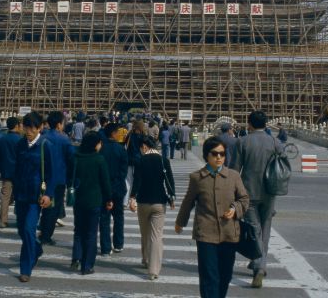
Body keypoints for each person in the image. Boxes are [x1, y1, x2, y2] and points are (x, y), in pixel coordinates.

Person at [175, 137, 250, 298]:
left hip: (229, 233)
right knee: (209, 276)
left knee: (225, 275)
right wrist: (180, 222)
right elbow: (188, 202)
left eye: (222, 154)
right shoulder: (197, 178)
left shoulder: (233, 176)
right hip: (205, 234)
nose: (219, 157)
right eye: (215, 154)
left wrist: (234, 209)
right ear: (206, 155)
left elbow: (244, 199)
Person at [229, 109, 281, 288]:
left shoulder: (243, 141)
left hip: (248, 192)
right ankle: (258, 262)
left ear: (249, 123)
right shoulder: (275, 142)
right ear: (266, 124)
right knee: (265, 228)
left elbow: (234, 170)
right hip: (270, 191)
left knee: (254, 229)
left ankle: (259, 265)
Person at [13, 111, 54, 283]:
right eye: (26, 127)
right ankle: (36, 249)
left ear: (40, 128)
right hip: (21, 194)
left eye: (31, 128)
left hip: (36, 197)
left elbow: (52, 173)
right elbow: (16, 169)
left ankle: (25, 269)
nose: (28, 131)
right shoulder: (20, 144)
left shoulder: (45, 145)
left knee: (29, 230)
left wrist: (49, 194)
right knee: (21, 230)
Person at [129, 135, 176, 281]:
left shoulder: (141, 160)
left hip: (143, 202)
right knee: (156, 236)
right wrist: (172, 197)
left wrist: (132, 198)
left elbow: (137, 181)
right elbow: (169, 181)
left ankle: (146, 259)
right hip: (159, 203)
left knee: (145, 233)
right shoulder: (163, 160)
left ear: (144, 146)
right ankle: (153, 270)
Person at [69, 131, 112, 275]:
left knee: (78, 230)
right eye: (99, 143)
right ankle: (87, 265)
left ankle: (76, 258)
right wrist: (109, 199)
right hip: (94, 201)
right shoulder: (99, 159)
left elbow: (70, 177)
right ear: (95, 144)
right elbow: (105, 182)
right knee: (91, 233)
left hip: (78, 199)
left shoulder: (76, 157)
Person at [39, 111, 75, 245]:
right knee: (53, 209)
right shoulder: (64, 140)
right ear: (59, 124)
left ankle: (43, 232)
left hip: (42, 178)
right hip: (59, 179)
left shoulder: (42, 137)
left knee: (45, 207)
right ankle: (46, 236)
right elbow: (72, 159)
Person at [99, 122, 128, 255]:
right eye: (118, 132)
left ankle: (105, 247)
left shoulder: (101, 148)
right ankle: (118, 244)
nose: (119, 134)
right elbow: (123, 172)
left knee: (104, 218)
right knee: (118, 217)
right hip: (118, 188)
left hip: (103, 188)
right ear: (113, 133)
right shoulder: (121, 149)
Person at [0, 116, 23, 227]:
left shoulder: (1, 140)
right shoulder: (21, 140)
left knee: (5, 197)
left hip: (6, 172)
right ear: (16, 126)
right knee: (19, 197)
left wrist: (0, 169)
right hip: (19, 172)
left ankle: (3, 221)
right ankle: (20, 218)